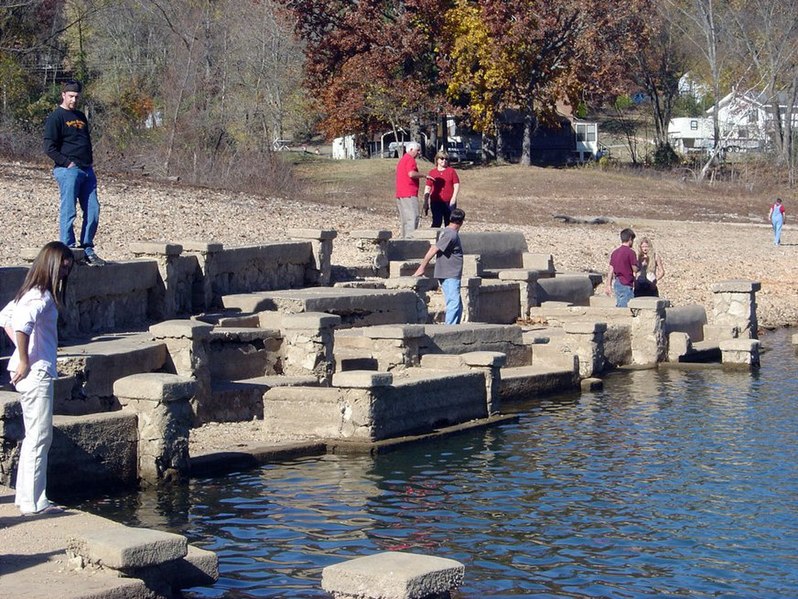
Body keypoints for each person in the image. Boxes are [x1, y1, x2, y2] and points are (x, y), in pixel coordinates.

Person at [0, 242, 74, 516]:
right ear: (51, 265)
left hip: (32, 369)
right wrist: (24, 357)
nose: (65, 273)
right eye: (63, 267)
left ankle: (26, 497)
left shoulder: (29, 293)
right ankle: (34, 501)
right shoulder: (40, 296)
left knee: (36, 435)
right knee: (40, 436)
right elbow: (20, 325)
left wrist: (25, 352)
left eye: (68, 267)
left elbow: (6, 317)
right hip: (36, 372)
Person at [44, 80, 106, 266]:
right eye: (70, 96)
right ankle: (67, 249)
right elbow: (49, 147)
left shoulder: (80, 116)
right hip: (68, 170)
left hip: (87, 170)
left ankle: (87, 248)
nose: (73, 100)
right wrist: (67, 163)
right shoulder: (56, 117)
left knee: (93, 210)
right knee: (69, 210)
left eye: (76, 97)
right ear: (63, 95)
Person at [413, 208, 466, 324]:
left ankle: (455, 328)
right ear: (461, 222)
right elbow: (434, 249)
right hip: (450, 275)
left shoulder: (446, 232)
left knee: (457, 305)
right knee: (454, 303)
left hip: (449, 274)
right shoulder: (451, 235)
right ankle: (450, 330)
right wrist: (422, 267)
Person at [395, 141, 430, 238]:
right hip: (409, 192)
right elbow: (411, 174)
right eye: (417, 150)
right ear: (411, 150)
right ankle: (410, 240)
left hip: (400, 193)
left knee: (405, 220)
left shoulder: (402, 160)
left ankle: (403, 240)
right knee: (413, 217)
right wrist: (423, 175)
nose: (419, 153)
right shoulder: (410, 159)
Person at [423, 150, 460, 228]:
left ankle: (449, 239)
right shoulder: (432, 172)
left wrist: (454, 198)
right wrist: (426, 202)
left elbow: (456, 185)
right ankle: (434, 239)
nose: (444, 161)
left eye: (446, 159)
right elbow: (428, 187)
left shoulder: (451, 171)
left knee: (449, 223)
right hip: (436, 201)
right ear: (437, 160)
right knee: (437, 222)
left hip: (449, 201)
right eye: (442, 158)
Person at [605, 228, 639, 308]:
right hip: (626, 283)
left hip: (617, 282)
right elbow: (635, 269)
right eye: (633, 240)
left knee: (619, 302)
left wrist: (608, 285)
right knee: (625, 307)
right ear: (630, 239)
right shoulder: (630, 253)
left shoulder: (615, 252)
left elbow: (610, 270)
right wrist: (641, 265)